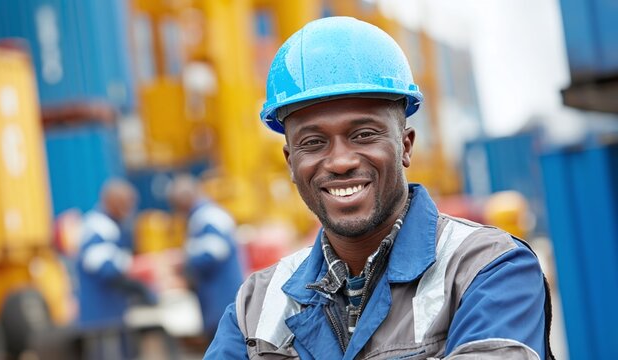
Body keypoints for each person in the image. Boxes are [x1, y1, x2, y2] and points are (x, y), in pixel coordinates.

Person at [205, 17, 554, 359]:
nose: (340, 161)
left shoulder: (488, 269)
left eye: (363, 135)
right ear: (290, 162)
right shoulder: (256, 305)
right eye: (313, 142)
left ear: (405, 145)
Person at [167, 174, 244, 340]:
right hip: (217, 296)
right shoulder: (205, 215)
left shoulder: (207, 217)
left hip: (221, 296)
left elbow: (214, 252)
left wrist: (185, 260)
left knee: (226, 342)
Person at [76, 178, 156, 326]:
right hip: (101, 314)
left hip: (111, 309)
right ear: (112, 202)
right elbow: (105, 269)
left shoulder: (108, 225)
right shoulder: (99, 227)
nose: (129, 210)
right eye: (126, 204)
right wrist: (132, 269)